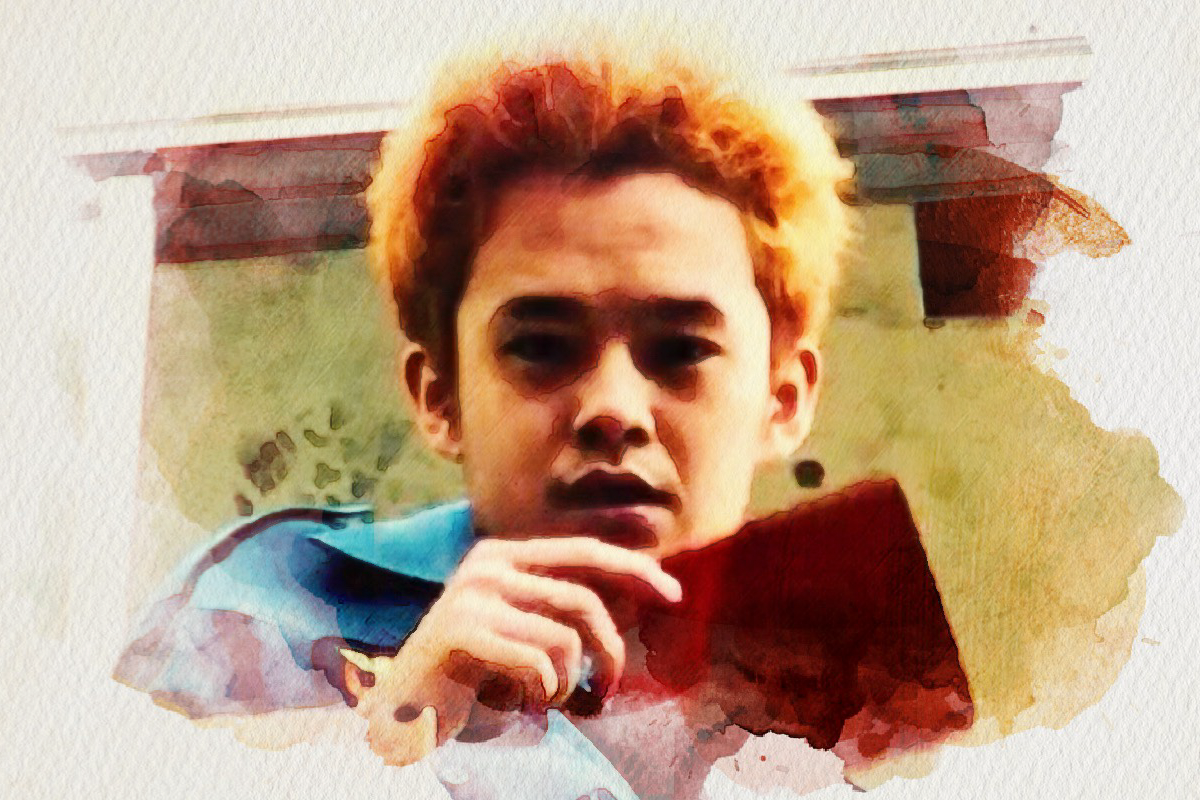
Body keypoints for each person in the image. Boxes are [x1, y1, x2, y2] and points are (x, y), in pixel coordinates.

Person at [116, 59, 970, 798]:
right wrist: (384, 745)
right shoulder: (259, 614)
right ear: (440, 396)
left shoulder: (886, 711)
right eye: (540, 347)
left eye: (681, 349)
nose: (613, 408)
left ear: (782, 398)